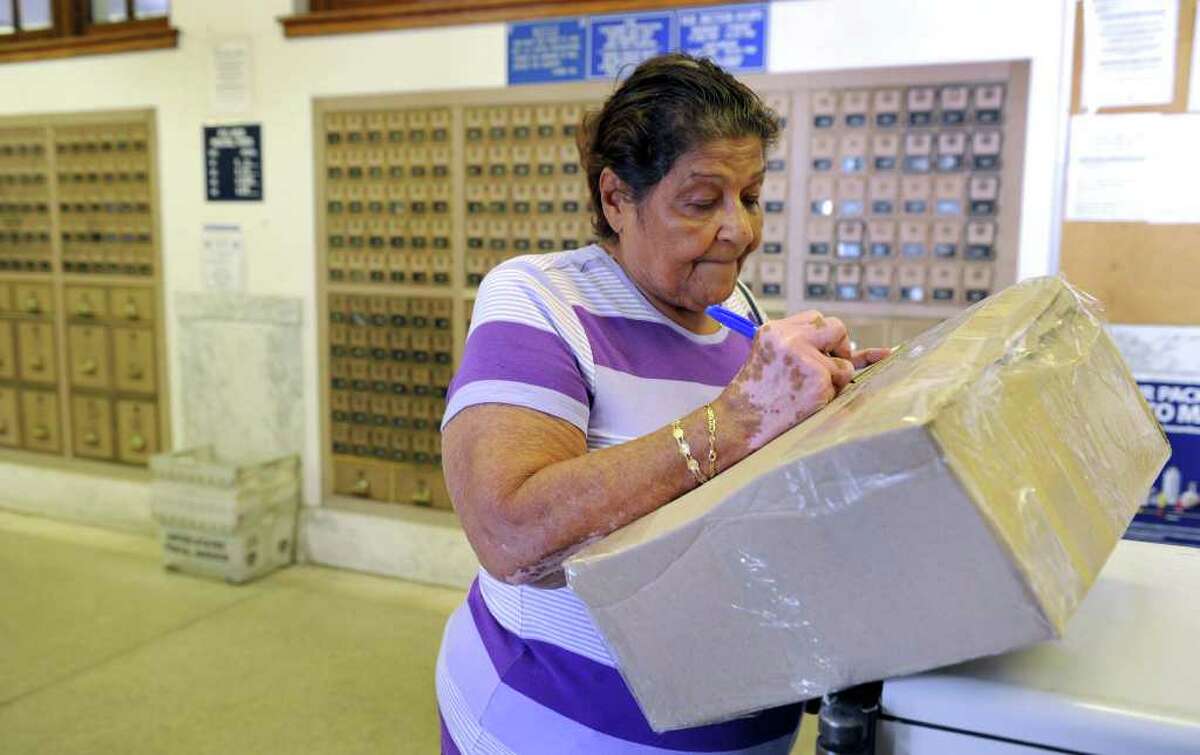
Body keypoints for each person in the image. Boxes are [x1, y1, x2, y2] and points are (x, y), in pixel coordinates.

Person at [436, 53, 889, 754]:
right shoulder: (540, 297)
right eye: (702, 201)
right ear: (617, 197)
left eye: (751, 195)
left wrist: (840, 412)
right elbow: (511, 533)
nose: (739, 229)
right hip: (549, 728)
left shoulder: (738, 311)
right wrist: (742, 417)